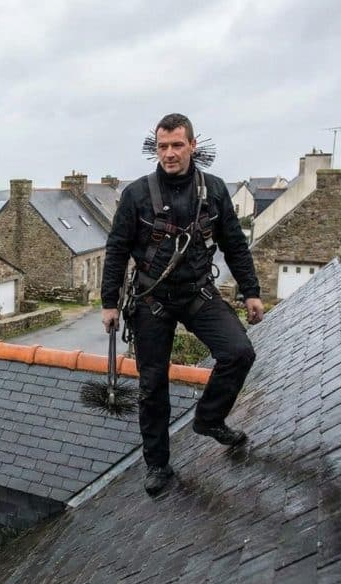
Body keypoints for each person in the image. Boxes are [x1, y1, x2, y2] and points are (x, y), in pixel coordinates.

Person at [101, 113, 264, 496]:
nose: (169, 154)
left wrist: (251, 291)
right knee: (152, 385)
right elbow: (116, 249)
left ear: (193, 145)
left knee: (239, 352)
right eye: (162, 147)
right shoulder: (137, 194)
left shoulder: (216, 191)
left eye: (177, 145)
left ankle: (209, 419)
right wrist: (109, 303)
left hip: (197, 293)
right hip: (151, 300)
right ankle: (157, 465)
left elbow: (235, 246)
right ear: (155, 148)